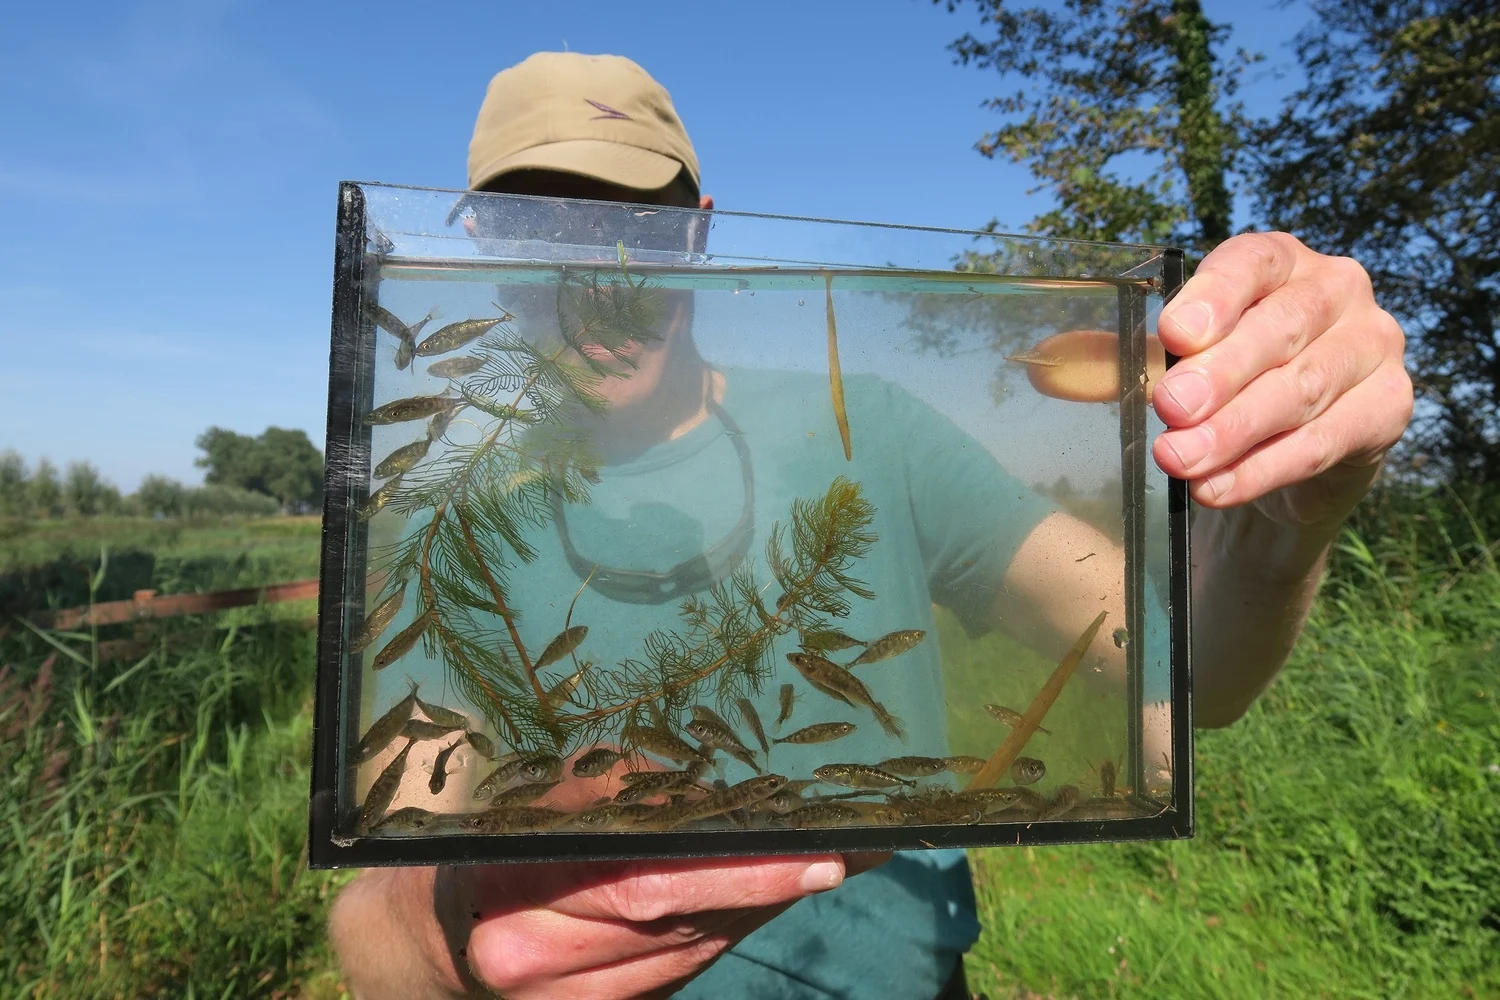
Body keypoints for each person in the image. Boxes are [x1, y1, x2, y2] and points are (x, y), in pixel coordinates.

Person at [328, 52, 1413, 1000]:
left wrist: (1277, 528)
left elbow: (1182, 690)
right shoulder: (451, 528)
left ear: (698, 236)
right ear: (475, 245)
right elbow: (376, 925)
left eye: (631, 228)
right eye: (532, 228)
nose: (590, 284)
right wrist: (444, 933)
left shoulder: (875, 433)